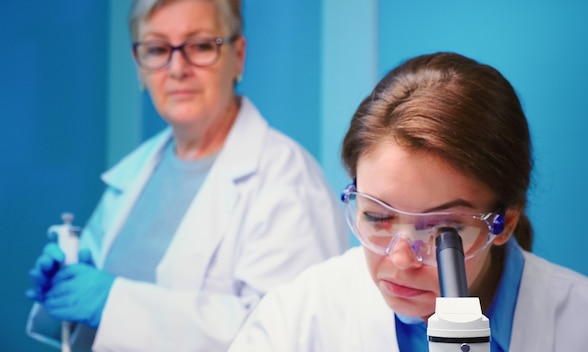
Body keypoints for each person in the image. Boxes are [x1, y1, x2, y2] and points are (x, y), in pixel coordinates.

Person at [228, 52, 588, 352]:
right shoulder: (297, 319)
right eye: (377, 217)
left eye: (443, 231)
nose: (400, 258)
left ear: (502, 222)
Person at [25, 0, 348, 350]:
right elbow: (94, 328)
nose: (177, 68)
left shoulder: (287, 179)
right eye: (157, 49)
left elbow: (291, 336)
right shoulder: (136, 172)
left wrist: (113, 303)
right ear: (139, 66)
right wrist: (64, 290)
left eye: (200, 46)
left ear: (237, 56)